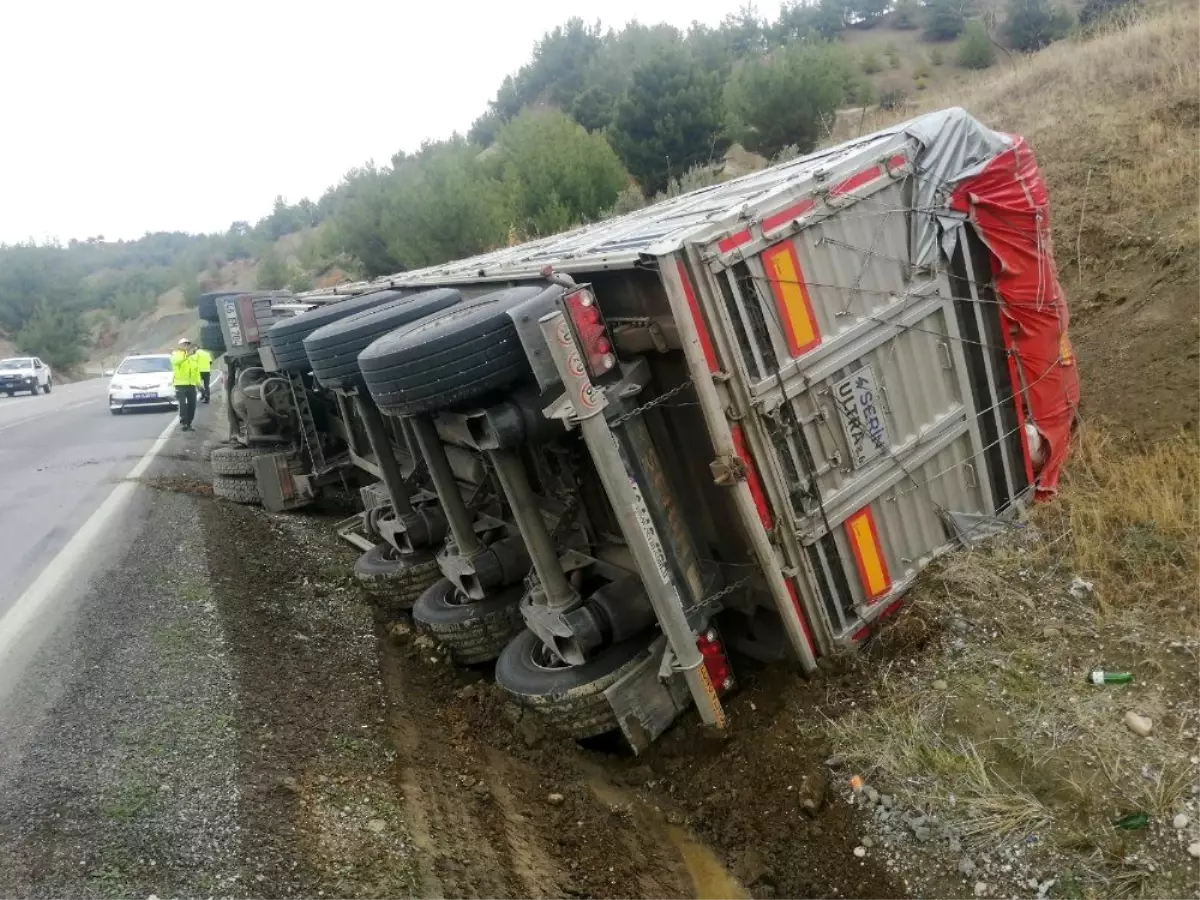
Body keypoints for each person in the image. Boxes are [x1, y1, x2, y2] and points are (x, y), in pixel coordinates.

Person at [170, 339, 200, 431]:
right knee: (182, 405)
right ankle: (183, 423)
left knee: (192, 405)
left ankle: (189, 423)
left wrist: (198, 383)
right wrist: (187, 355)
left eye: (187, 344)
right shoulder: (175, 354)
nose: (186, 346)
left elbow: (196, 371)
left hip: (191, 384)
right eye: (184, 344)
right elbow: (176, 362)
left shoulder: (192, 357)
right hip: (180, 384)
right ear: (180, 345)